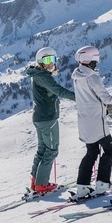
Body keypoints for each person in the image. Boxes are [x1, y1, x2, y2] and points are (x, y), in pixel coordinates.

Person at [70, 45, 112, 200]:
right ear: (90, 60)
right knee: (109, 150)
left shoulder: (77, 76)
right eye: (95, 60)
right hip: (97, 121)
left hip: (84, 121)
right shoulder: (92, 77)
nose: (96, 63)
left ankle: (82, 187)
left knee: (92, 152)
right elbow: (106, 99)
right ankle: (103, 183)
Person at [27, 47, 75, 194]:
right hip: (48, 118)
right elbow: (58, 90)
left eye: (53, 60)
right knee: (52, 150)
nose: (50, 63)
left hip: (41, 117)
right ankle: (42, 184)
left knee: (42, 149)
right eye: (47, 60)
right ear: (40, 61)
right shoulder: (43, 76)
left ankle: (36, 182)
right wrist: (80, 97)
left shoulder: (38, 74)